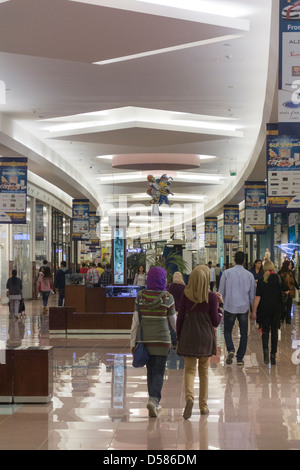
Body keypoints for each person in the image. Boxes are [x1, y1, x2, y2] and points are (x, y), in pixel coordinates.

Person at [176, 265, 223, 419]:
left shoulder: (185, 295)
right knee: (204, 372)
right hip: (205, 337)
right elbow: (215, 322)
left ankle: (189, 398)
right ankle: (203, 406)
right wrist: (220, 307)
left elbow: (180, 318)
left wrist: (179, 336)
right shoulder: (211, 297)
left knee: (189, 370)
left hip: (189, 336)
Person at [130, 267, 176, 418]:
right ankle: (154, 399)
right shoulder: (168, 297)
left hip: (145, 340)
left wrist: (132, 342)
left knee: (150, 371)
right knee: (158, 371)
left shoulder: (140, 296)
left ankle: (153, 399)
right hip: (162, 341)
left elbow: (135, 322)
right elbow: (174, 323)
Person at [218, 251, 256, 366]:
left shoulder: (226, 273)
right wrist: (254, 310)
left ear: (234, 260)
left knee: (227, 331)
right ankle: (240, 358)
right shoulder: (249, 275)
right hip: (243, 308)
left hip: (229, 306)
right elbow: (252, 295)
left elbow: (220, 291)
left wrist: (220, 306)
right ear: (244, 261)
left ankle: (230, 349)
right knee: (244, 333)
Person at [251, 260, 289, 365]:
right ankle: (273, 355)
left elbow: (257, 297)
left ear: (264, 268)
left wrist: (254, 311)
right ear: (273, 268)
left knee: (265, 332)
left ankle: (265, 352)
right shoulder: (278, 278)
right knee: (275, 332)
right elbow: (286, 291)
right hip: (277, 309)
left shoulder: (261, 279)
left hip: (264, 310)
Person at [278, 260, 300, 324]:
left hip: (290, 292)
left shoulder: (291, 272)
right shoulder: (280, 273)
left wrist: (298, 288)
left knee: (289, 307)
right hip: (283, 293)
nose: (291, 266)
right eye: (290, 265)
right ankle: (282, 318)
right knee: (283, 307)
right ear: (286, 265)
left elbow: (294, 281)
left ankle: (288, 320)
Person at [167, 271, 186, 347]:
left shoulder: (171, 287)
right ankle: (181, 341)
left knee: (172, 325)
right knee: (181, 325)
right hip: (181, 310)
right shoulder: (184, 287)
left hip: (173, 309)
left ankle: (174, 342)